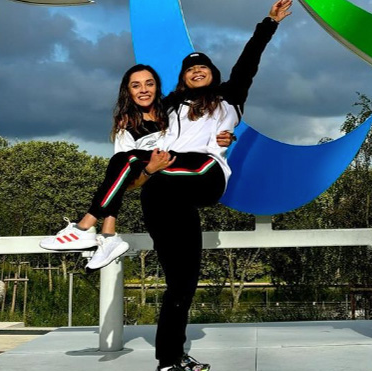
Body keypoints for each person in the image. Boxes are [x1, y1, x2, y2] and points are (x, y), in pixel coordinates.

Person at [141, 0, 292, 371]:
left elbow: (249, 60)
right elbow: (136, 114)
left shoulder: (229, 98)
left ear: (213, 74)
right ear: (183, 77)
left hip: (204, 175)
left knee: (189, 165)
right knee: (182, 282)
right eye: (190, 69)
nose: (197, 71)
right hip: (165, 194)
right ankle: (170, 360)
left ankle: (168, 361)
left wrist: (269, 23)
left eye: (202, 67)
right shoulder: (168, 106)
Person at [38, 65, 233, 270]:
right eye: (136, 85)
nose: (143, 90)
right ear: (128, 91)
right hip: (157, 191)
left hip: (187, 182)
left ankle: (90, 227)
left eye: (149, 84)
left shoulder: (175, 111)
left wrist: (228, 136)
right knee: (121, 162)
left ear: (157, 87)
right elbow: (123, 182)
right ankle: (105, 234)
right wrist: (150, 169)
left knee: (125, 161)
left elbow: (209, 121)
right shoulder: (128, 128)